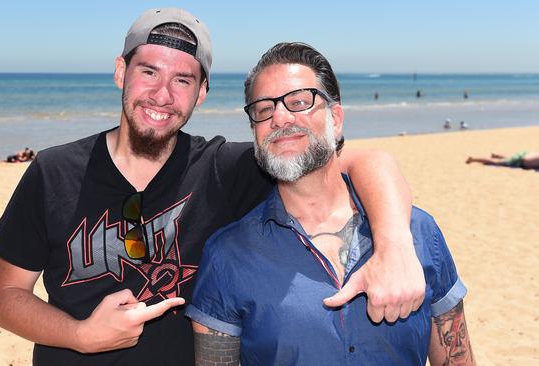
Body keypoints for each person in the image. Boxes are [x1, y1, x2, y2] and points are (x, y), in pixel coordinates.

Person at [0, 8, 424, 365]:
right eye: (148, 72)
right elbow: (4, 298)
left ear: (201, 94)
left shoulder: (224, 168)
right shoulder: (54, 171)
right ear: (121, 72)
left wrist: (395, 246)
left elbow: (362, 160)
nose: (161, 94)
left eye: (183, 80)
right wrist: (80, 335)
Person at [187, 42, 475, 365]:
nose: (280, 117)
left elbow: (457, 358)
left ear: (335, 119)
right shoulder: (228, 256)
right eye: (264, 109)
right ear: (254, 129)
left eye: (299, 101)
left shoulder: (419, 233)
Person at [466, 151, 539, 169]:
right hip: (521, 160)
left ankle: (496, 155)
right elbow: (526, 159)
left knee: (510, 158)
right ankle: (473, 159)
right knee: (496, 163)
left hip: (525, 154)